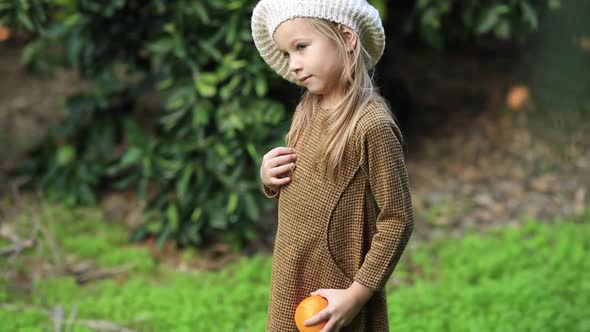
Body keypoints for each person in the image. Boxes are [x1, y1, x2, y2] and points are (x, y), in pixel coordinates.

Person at [251, 0, 414, 331]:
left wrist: (355, 295)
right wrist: (270, 176)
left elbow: (398, 219)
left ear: (347, 37)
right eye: (287, 54)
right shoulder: (308, 109)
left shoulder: (371, 125)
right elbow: (301, 184)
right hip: (292, 271)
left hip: (336, 287)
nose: (294, 64)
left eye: (301, 47)